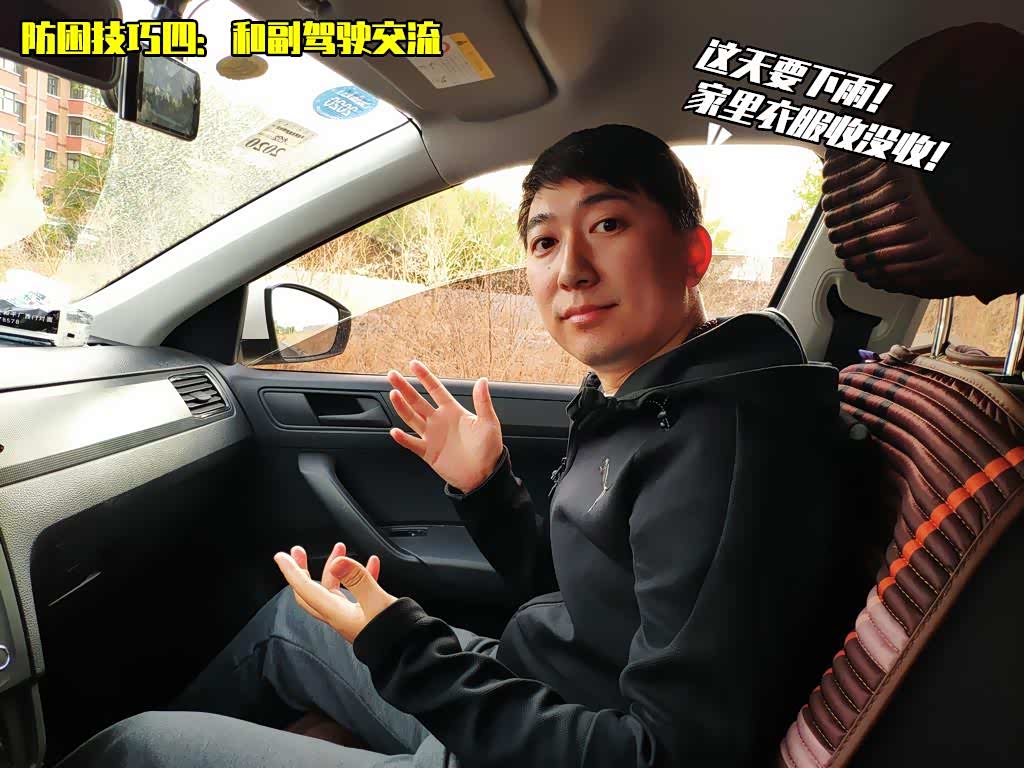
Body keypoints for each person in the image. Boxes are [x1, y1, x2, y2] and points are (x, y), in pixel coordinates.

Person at [55, 124, 843, 767]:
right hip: (532, 689)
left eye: (608, 225)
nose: (571, 269)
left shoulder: (722, 449)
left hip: (538, 745)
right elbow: (590, 597)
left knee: (135, 748)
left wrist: (402, 649)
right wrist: (487, 488)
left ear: (693, 255)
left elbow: (667, 756)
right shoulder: (652, 397)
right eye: (543, 241)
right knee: (297, 618)